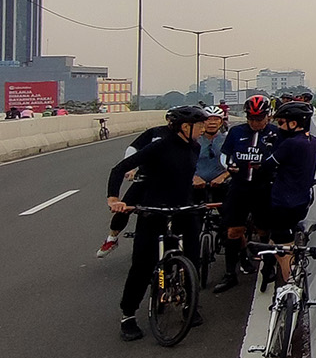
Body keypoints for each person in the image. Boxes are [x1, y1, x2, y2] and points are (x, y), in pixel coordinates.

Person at [106, 105, 210, 341]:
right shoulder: (161, 146)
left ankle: (188, 305)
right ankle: (128, 315)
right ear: (185, 127)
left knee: (193, 259)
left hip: (183, 209)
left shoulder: (194, 146)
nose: (204, 129)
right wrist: (114, 198)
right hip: (153, 210)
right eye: (200, 125)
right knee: (142, 264)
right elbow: (119, 168)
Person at [258, 101, 316, 287]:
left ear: (294, 123)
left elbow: (267, 166)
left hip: (283, 202)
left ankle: (288, 286)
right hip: (303, 201)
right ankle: (274, 268)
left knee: (283, 248)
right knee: (282, 234)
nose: (279, 127)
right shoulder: (311, 140)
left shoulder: (290, 144)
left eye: (282, 123)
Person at [212, 95, 280, 293]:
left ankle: (267, 268)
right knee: (233, 231)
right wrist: (229, 166)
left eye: (259, 119)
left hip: (264, 188)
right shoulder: (236, 132)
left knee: (263, 231)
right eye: (251, 118)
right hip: (239, 186)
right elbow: (225, 154)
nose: (255, 123)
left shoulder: (276, 134)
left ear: (268, 116)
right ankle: (230, 274)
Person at [96, 111, 181, 257]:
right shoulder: (155, 133)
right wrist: (131, 168)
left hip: (175, 182)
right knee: (125, 206)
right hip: (147, 178)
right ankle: (112, 238)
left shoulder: (191, 138)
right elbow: (133, 148)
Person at [193, 105, 232, 203]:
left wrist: (223, 177)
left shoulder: (228, 139)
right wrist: (194, 177)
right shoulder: (194, 139)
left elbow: (237, 162)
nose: (212, 123)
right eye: (208, 119)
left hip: (223, 184)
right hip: (196, 185)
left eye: (216, 119)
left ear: (221, 122)